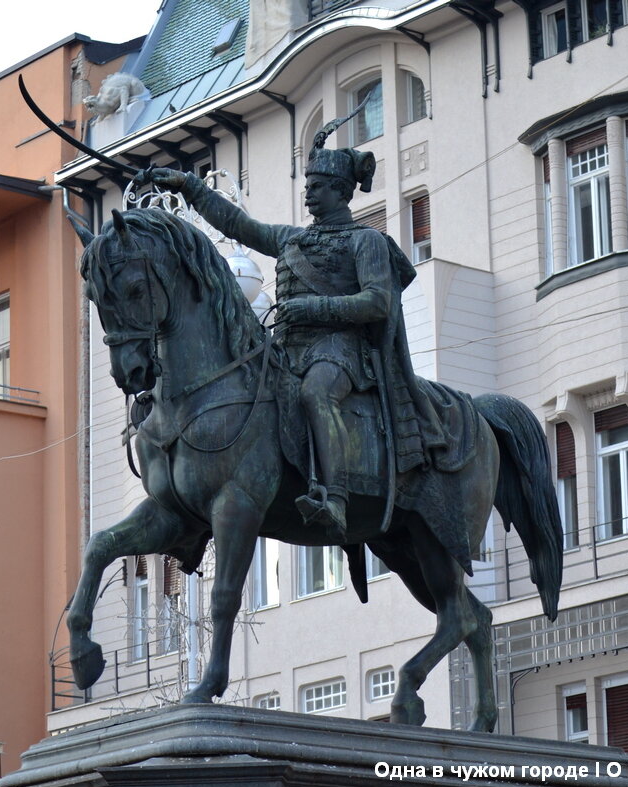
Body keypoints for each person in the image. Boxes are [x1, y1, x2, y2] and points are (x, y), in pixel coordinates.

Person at [144, 113, 440, 541]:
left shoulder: (367, 242)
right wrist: (189, 187)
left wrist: (312, 307)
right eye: (307, 186)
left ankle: (335, 498)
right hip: (287, 347)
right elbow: (237, 225)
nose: (308, 194)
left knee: (315, 391)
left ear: (340, 191)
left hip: (342, 350)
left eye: (316, 187)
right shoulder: (291, 240)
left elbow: (377, 302)